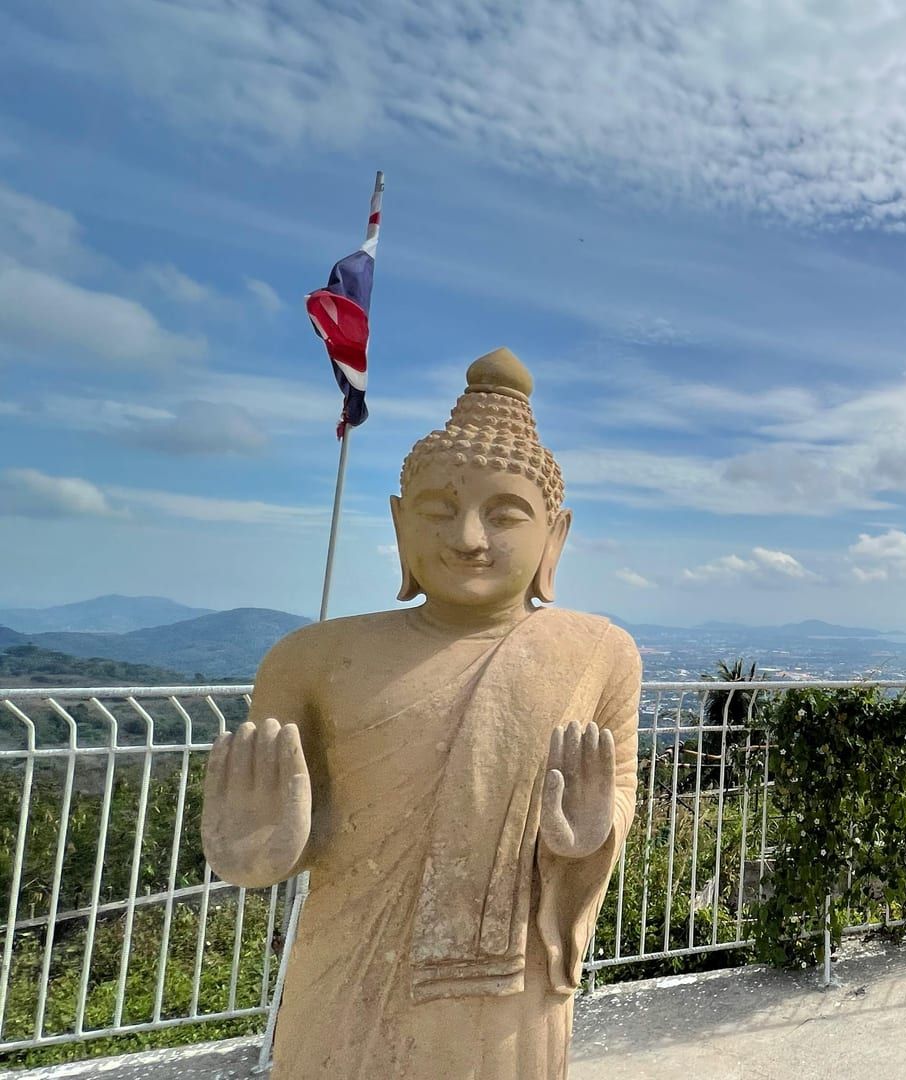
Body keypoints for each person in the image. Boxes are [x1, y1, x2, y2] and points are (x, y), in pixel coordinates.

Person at [200, 348, 640, 1078]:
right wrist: (260, 848)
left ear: (553, 537)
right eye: (439, 511)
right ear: (401, 525)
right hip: (347, 957)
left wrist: (592, 834)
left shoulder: (598, 651)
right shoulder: (307, 660)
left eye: (504, 515)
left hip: (509, 981)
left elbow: (616, 791)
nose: (468, 537)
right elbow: (283, 835)